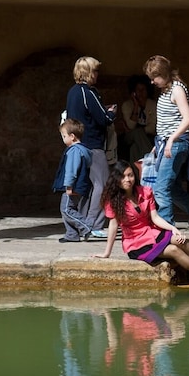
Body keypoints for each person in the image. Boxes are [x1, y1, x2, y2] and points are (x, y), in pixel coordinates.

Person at [93, 161, 189, 284]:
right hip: (136, 244)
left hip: (152, 233)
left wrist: (173, 229)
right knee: (174, 250)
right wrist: (107, 253)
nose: (127, 179)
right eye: (122, 177)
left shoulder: (145, 192)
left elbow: (155, 218)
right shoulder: (113, 201)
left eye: (130, 175)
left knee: (182, 241)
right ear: (116, 180)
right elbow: (113, 225)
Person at [143, 55, 189, 232]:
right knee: (172, 189)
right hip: (166, 143)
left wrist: (171, 139)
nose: (152, 82)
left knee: (160, 188)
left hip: (175, 144)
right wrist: (159, 144)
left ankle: (167, 231)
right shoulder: (166, 90)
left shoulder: (177, 90)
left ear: (164, 74)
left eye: (154, 77)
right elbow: (169, 120)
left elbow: (188, 119)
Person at [65, 56, 117, 239]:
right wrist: (111, 112)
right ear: (87, 72)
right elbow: (104, 119)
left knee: (87, 186)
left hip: (78, 146)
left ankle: (82, 224)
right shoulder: (89, 92)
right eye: (95, 70)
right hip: (93, 145)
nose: (97, 74)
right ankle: (92, 224)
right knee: (103, 185)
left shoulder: (72, 92)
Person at [52, 119, 93, 243]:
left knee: (66, 210)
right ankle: (71, 234)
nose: (63, 139)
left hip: (73, 187)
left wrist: (69, 186)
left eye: (64, 136)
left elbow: (71, 170)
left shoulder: (74, 151)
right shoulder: (84, 150)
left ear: (72, 137)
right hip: (81, 186)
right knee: (69, 209)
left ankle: (86, 227)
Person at [120, 74, 157, 163]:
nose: (140, 93)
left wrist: (140, 131)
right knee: (137, 132)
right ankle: (151, 161)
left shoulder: (153, 105)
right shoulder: (127, 105)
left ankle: (137, 174)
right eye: (138, 90)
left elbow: (153, 128)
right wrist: (136, 106)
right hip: (129, 137)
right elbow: (131, 126)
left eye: (143, 90)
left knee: (134, 148)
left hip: (148, 138)